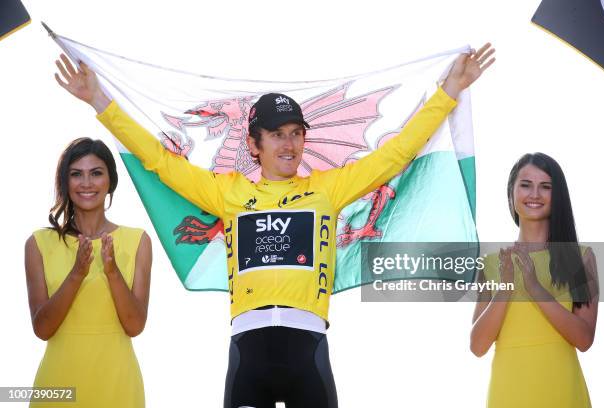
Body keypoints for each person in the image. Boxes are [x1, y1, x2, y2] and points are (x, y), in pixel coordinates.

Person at [54, 43, 495, 408]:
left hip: (310, 347)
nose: (289, 143)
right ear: (253, 144)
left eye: (295, 133)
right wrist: (99, 100)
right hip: (249, 348)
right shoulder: (227, 193)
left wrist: (450, 90)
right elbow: (158, 160)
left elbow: (396, 154)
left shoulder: (329, 189)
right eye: (277, 134)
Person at [25, 138, 152, 407]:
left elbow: (135, 325)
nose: (86, 183)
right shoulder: (38, 244)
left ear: (110, 181)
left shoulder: (138, 240)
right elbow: (42, 328)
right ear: (64, 182)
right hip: (58, 385)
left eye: (96, 173)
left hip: (117, 383)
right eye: (76, 174)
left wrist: (112, 272)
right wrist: (77, 274)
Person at [470, 153, 598, 408]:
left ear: (557, 195)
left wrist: (536, 288)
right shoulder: (493, 264)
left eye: (546, 187)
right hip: (508, 392)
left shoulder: (581, 257)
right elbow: (477, 345)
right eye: (526, 184)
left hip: (561, 390)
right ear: (511, 193)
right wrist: (506, 287)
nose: (535, 194)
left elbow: (584, 339)